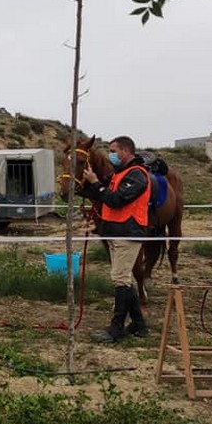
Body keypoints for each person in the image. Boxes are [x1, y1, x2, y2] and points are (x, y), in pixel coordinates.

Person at [79, 135, 150, 342]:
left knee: (120, 280)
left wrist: (96, 183)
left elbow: (116, 200)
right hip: (115, 233)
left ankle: (115, 329)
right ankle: (139, 324)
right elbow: (102, 195)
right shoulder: (120, 174)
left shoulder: (137, 175)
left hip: (128, 234)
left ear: (126, 151)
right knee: (123, 279)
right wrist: (85, 185)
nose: (111, 155)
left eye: (114, 150)